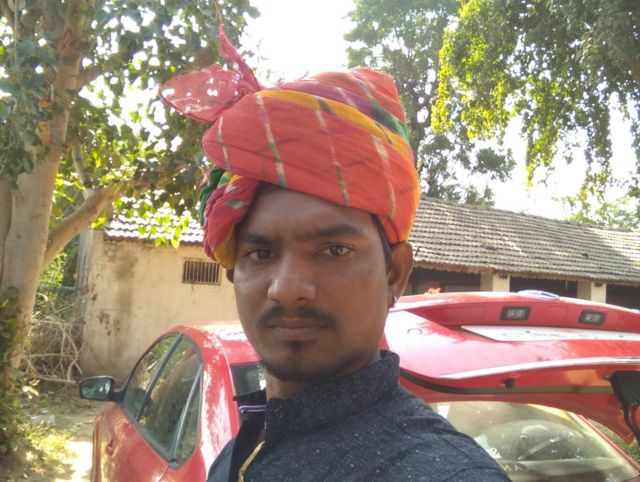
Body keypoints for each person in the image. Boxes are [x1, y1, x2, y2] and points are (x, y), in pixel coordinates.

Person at [161, 23, 509, 482]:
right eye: (260, 254)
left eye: (333, 249)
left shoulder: (441, 472)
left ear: (395, 274)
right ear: (233, 272)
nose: (286, 288)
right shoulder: (249, 442)